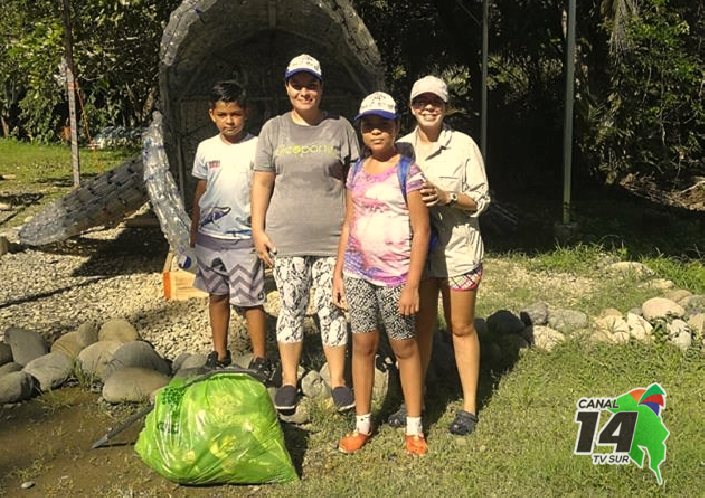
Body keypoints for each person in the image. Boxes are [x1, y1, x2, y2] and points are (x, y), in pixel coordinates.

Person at [252, 54, 358, 413]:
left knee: (332, 309)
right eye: (297, 84)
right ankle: (287, 379)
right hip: (286, 238)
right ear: (287, 88)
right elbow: (262, 181)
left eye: (311, 84)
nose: (304, 90)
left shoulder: (341, 127)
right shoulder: (273, 129)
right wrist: (257, 228)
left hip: (332, 240)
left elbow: (352, 184)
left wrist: (354, 230)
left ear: (321, 88)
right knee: (290, 308)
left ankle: (339, 380)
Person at [391, 75, 490, 436]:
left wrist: (448, 196)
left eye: (435, 101)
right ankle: (413, 401)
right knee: (421, 327)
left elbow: (481, 200)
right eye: (421, 102)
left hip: (457, 251)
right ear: (412, 107)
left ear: (446, 107)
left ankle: (468, 407)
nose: (428, 107)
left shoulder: (463, 146)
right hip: (415, 255)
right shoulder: (399, 147)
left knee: (461, 328)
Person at [333, 92, 430, 456]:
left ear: (396, 128)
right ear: (361, 130)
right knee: (362, 345)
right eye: (369, 125)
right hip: (358, 273)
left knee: (405, 347)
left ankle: (414, 427)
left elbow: (421, 231)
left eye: (383, 125)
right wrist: (339, 272)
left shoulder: (409, 170)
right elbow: (348, 223)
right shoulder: (355, 170)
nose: (376, 132)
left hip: (396, 278)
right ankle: (362, 422)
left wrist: (411, 285)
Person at [189, 80, 271, 378]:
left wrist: (261, 230)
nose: (229, 121)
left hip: (244, 238)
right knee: (217, 295)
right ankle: (220, 353)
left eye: (235, 114)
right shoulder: (205, 148)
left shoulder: (258, 146)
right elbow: (201, 188)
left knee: (251, 298)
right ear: (212, 114)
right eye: (223, 114)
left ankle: (261, 357)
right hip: (211, 239)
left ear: (245, 113)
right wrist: (194, 227)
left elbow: (264, 188)